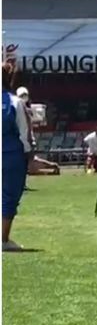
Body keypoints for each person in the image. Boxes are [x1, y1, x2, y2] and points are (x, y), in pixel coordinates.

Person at [2, 61, 32, 251]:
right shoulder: (15, 102)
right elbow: (24, 132)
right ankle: (3, 239)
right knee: (9, 196)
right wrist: (29, 152)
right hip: (11, 153)